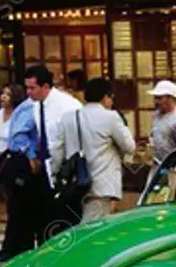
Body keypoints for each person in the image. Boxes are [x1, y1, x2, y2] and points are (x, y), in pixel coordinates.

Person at [51, 78, 136, 223]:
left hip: (74, 183)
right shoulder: (111, 117)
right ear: (105, 97)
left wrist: (55, 174)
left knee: (73, 224)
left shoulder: (69, 117)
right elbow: (129, 147)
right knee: (92, 229)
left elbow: (57, 150)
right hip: (100, 184)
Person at [24, 65, 83, 233]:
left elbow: (71, 143)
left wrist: (60, 170)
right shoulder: (37, 105)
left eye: (32, 88)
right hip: (45, 168)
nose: (28, 92)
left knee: (65, 220)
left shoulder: (68, 106)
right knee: (45, 218)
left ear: (45, 86)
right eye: (27, 88)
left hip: (67, 172)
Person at [0, 77, 43, 257]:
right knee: (22, 207)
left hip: (17, 160)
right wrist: (32, 157)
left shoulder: (26, 106)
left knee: (19, 207)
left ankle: (16, 247)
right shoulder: (31, 107)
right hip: (21, 162)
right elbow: (19, 135)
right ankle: (16, 249)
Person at [0, 84, 25, 261]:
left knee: (14, 202)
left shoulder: (20, 114)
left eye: (7, 94)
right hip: (1, 158)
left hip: (13, 158)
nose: (3, 97)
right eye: (2, 93)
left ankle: (14, 244)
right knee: (8, 198)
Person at [149, 80, 176, 166]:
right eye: (155, 98)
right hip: (158, 164)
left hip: (173, 166)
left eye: (159, 98)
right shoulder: (157, 115)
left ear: (170, 98)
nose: (156, 102)